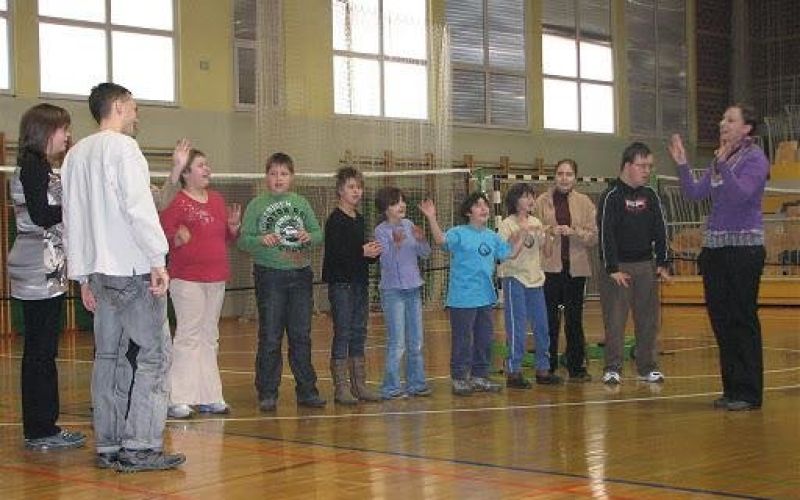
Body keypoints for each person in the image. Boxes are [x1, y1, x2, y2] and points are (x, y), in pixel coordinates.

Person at [61, 82, 185, 472]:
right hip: (132, 270)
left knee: (108, 358)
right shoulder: (125, 149)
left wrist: (82, 276)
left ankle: (109, 444)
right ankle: (141, 447)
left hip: (99, 273)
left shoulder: (75, 155)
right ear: (117, 106)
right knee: (154, 356)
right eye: (133, 107)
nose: (136, 114)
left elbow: (72, 219)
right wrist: (158, 259)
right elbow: (138, 208)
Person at [668, 104, 768, 411]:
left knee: (742, 318)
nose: (723, 123)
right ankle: (732, 389)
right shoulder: (720, 159)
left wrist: (723, 164)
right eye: (723, 118)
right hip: (715, 250)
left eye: (731, 119)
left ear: (746, 128)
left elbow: (741, 195)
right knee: (721, 319)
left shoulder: (755, 159)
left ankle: (749, 392)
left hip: (743, 250)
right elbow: (695, 194)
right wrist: (683, 165)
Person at [7, 104, 86, 451]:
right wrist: (76, 208)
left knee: (40, 351)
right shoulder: (34, 167)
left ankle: (40, 427)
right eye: (63, 130)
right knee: (41, 352)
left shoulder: (38, 166)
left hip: (44, 265)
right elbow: (41, 214)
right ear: (46, 131)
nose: (67, 136)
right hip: (38, 267)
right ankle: (42, 429)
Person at [237, 152, 326, 411]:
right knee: (271, 336)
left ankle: (307, 391)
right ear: (266, 177)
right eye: (273, 173)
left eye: (284, 174)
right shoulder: (256, 205)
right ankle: (267, 392)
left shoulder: (301, 203)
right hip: (270, 276)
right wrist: (259, 240)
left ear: (292, 177)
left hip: (300, 275)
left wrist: (308, 236)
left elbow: (318, 234)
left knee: (301, 335)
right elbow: (243, 240)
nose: (278, 178)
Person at [160, 145, 242, 418]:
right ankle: (178, 398)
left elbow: (224, 238)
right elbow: (163, 233)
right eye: (200, 165)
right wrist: (176, 238)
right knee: (188, 335)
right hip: (187, 279)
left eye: (207, 164)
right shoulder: (177, 202)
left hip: (216, 277)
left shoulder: (216, 199)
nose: (207, 169)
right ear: (185, 173)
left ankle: (209, 395)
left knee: (210, 336)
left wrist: (232, 228)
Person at [420, 193, 523, 396]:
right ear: (468, 212)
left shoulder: (492, 236)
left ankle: (480, 376)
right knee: (463, 340)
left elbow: (509, 254)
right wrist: (431, 217)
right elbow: (441, 240)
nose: (484, 208)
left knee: (484, 339)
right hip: (462, 298)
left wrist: (522, 236)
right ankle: (459, 377)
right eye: (478, 205)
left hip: (485, 297)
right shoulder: (459, 232)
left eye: (485, 205)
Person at [596, 142, 670, 386]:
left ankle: (648, 367)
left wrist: (662, 262)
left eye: (650, 166)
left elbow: (661, 230)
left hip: (645, 266)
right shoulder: (611, 196)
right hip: (617, 269)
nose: (647, 171)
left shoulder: (651, 196)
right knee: (615, 321)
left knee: (648, 320)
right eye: (642, 165)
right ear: (627, 165)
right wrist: (612, 268)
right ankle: (612, 368)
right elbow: (605, 234)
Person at [322, 167, 382, 405]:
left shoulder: (360, 219)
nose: (356, 191)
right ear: (340, 190)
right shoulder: (335, 220)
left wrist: (373, 253)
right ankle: (341, 388)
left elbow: (360, 256)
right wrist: (361, 252)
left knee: (359, 332)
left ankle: (359, 385)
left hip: (359, 284)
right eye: (351, 187)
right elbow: (336, 255)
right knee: (344, 332)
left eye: (359, 187)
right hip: (341, 285)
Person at [534, 159, 598, 382]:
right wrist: (550, 230)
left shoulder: (585, 202)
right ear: (554, 176)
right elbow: (533, 229)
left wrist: (575, 232)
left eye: (569, 174)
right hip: (548, 270)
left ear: (575, 178)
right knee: (549, 320)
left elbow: (594, 237)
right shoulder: (541, 201)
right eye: (560, 173)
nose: (564, 178)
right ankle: (547, 366)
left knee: (574, 320)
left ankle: (576, 367)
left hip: (576, 270)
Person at [497, 183, 561, 388]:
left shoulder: (536, 221)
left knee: (542, 326)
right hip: (515, 279)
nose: (531, 200)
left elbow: (547, 252)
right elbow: (504, 252)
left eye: (532, 196)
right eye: (526, 196)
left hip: (536, 281)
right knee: (517, 327)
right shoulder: (507, 224)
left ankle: (543, 369)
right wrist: (521, 233)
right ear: (516, 201)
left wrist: (550, 234)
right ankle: (514, 371)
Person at [374, 187, 432, 399]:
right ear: (386, 208)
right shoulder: (381, 231)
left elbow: (425, 254)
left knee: (416, 340)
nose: (402, 205)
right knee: (397, 342)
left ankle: (416, 383)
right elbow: (386, 263)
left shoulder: (409, 225)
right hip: (393, 291)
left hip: (413, 289)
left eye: (402, 201)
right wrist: (395, 245)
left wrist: (422, 239)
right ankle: (391, 387)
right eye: (396, 202)